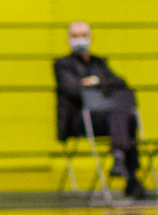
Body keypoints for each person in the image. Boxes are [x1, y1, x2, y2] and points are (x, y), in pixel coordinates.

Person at [54, 20, 146, 199]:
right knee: (121, 116)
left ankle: (125, 167)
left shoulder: (99, 63)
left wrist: (96, 82)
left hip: (106, 120)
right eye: (75, 36)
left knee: (126, 116)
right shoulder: (63, 65)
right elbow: (73, 89)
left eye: (83, 35)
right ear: (68, 38)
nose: (80, 39)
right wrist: (100, 86)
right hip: (80, 120)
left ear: (91, 37)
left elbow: (120, 83)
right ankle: (122, 160)